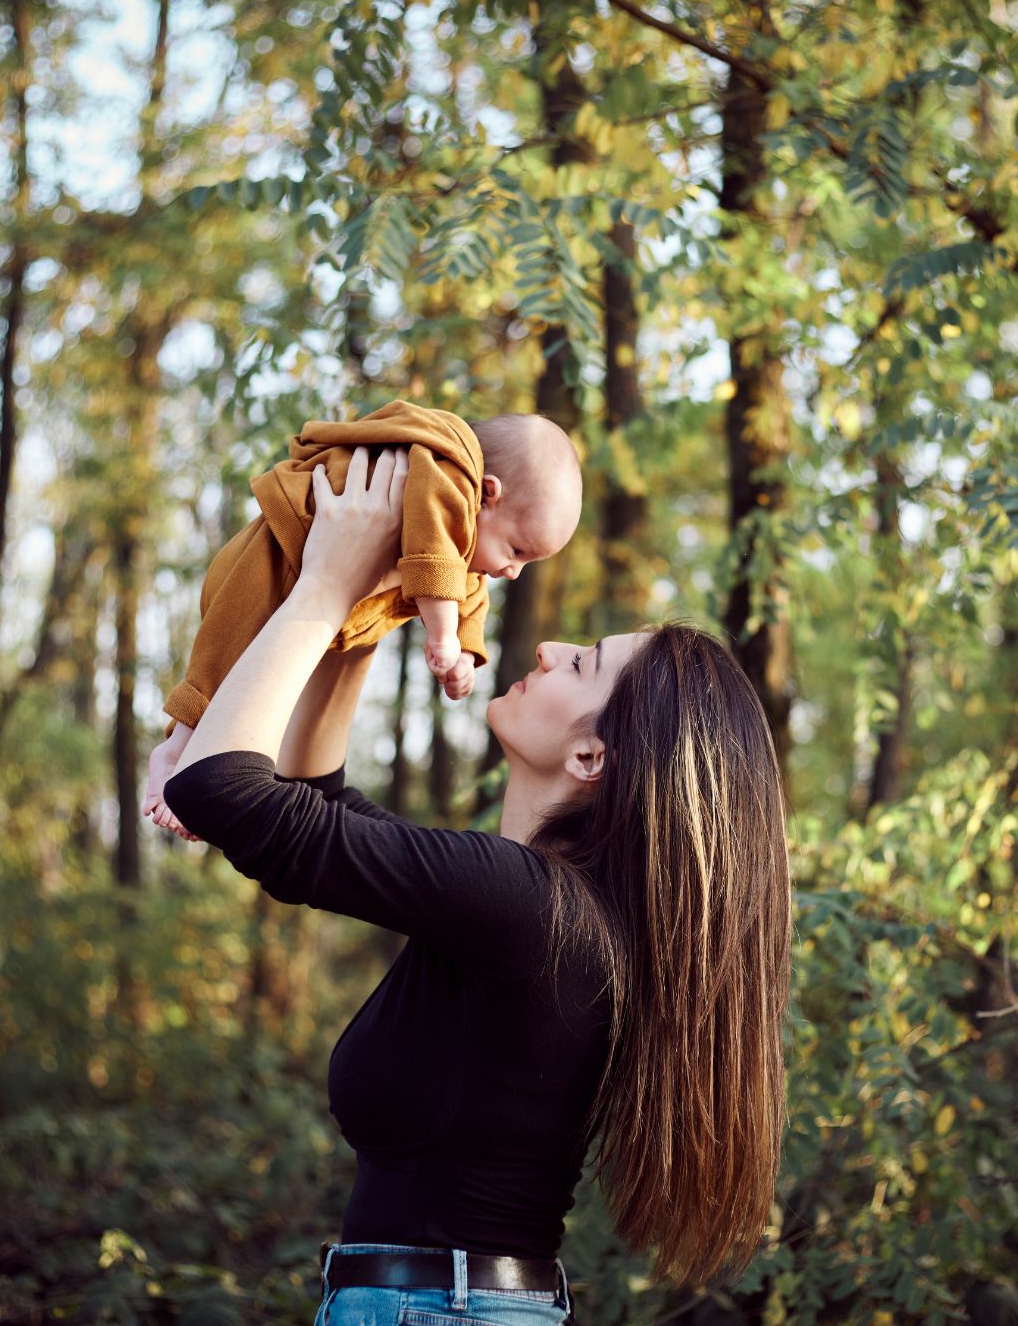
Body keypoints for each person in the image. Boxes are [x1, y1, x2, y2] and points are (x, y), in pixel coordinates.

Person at [161, 448, 793, 1323]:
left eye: (582, 664)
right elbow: (316, 800)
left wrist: (319, 584)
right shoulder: (544, 914)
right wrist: (372, 595)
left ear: (590, 755)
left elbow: (218, 790)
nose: (548, 646)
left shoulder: (531, 910)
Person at [144, 399, 581, 839]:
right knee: (226, 652)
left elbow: (467, 595)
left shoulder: (467, 549)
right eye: (518, 550)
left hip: (316, 572)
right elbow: (433, 553)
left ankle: (208, 760)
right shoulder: (447, 473)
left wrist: (466, 651)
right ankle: (177, 748)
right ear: (487, 493)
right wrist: (444, 635)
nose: (513, 571)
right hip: (276, 554)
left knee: (259, 680)